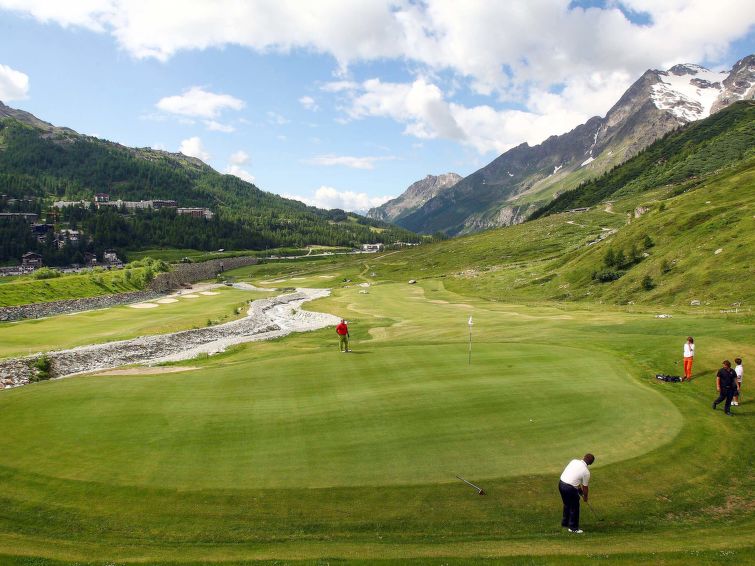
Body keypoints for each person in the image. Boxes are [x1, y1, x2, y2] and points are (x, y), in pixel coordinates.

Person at [558, 453, 595, 533]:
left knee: (567, 504)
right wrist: (585, 497)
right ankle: (573, 528)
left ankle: (565, 523)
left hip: (561, 484)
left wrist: (579, 491)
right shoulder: (586, 472)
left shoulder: (574, 461)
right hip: (569, 488)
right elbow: (585, 487)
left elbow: (575, 478)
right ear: (590, 463)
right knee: (574, 506)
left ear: (584, 457)